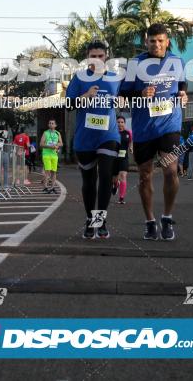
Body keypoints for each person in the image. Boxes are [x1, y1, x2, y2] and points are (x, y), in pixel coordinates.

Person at [120, 23, 187, 241]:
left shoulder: (177, 62)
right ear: (146, 42)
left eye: (160, 40)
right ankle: (150, 221)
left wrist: (184, 96)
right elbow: (124, 95)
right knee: (145, 175)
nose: (156, 44)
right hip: (144, 128)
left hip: (169, 124)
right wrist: (140, 93)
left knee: (170, 170)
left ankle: (167, 217)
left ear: (167, 41)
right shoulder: (135, 64)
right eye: (152, 41)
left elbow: (182, 87)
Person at [67, 40, 121, 239]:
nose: (97, 60)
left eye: (100, 56)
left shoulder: (116, 78)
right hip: (85, 137)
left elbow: (130, 97)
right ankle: (90, 219)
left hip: (109, 134)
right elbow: (68, 105)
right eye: (93, 56)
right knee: (89, 181)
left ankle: (100, 220)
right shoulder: (80, 78)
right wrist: (86, 95)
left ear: (106, 56)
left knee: (106, 175)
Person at [111, 115, 132, 204]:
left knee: (123, 175)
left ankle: (121, 198)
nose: (120, 124)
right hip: (113, 158)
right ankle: (115, 185)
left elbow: (131, 141)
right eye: (118, 122)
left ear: (124, 123)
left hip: (123, 158)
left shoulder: (128, 133)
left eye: (122, 122)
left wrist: (131, 147)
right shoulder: (112, 132)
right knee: (114, 179)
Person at [40, 119, 63, 193]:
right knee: (47, 171)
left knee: (54, 172)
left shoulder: (57, 133)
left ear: (55, 125)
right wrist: (50, 146)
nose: (51, 124)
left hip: (54, 155)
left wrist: (57, 145)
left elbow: (61, 143)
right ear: (48, 125)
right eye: (49, 123)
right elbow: (41, 144)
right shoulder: (45, 133)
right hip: (46, 154)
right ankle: (45, 187)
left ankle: (52, 187)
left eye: (52, 123)